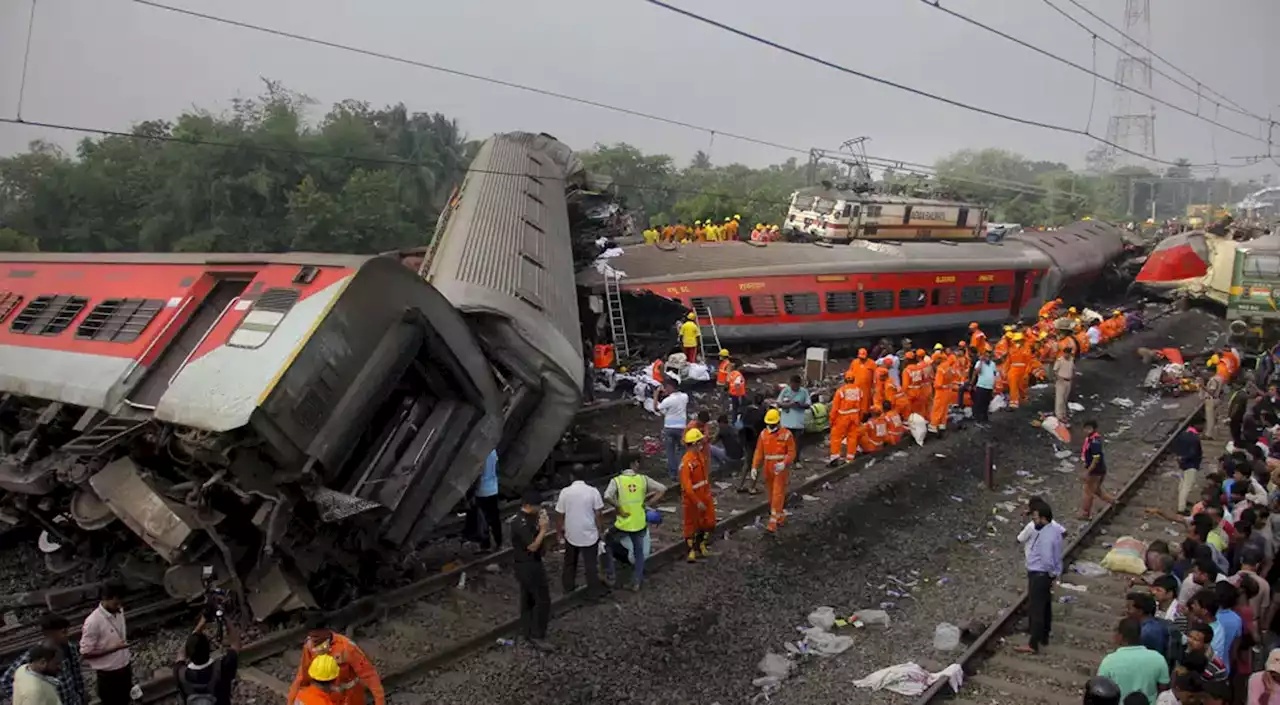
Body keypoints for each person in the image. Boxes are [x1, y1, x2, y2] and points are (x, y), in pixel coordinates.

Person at [603, 461, 665, 591]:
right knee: (639, 552)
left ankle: (611, 576)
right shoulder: (643, 479)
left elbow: (607, 496)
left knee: (607, 540)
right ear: (632, 465)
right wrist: (648, 503)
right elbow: (662, 489)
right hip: (639, 522)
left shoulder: (616, 481)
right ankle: (636, 582)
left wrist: (618, 507)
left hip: (624, 523)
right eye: (636, 463)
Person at [286, 626, 384, 705]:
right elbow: (302, 675)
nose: (315, 646)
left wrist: (379, 701)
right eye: (313, 640)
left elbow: (369, 674)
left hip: (350, 696)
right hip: (327, 697)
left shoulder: (346, 647)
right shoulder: (309, 646)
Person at [1, 613, 86, 705]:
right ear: (49, 633)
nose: (67, 635)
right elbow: (6, 680)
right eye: (63, 632)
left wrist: (81, 693)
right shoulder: (35, 655)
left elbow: (77, 674)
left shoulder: (70, 648)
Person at [1015, 498, 1064, 654]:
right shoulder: (1053, 530)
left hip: (1039, 574)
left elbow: (1047, 558)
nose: (1034, 521)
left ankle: (1033, 643)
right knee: (1045, 605)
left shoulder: (1045, 536)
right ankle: (1044, 635)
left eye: (1035, 518)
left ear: (1043, 518)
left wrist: (1049, 572)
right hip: (1045, 575)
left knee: (1036, 608)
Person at [510, 489, 553, 650]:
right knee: (542, 599)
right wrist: (543, 529)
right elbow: (533, 546)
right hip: (528, 565)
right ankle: (537, 635)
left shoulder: (528, 518)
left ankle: (527, 630)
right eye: (537, 506)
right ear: (527, 505)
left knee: (527, 598)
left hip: (525, 564)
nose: (540, 509)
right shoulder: (520, 523)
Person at [79, 582, 133, 705]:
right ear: (105, 599)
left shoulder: (119, 610)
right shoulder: (93, 622)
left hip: (125, 666)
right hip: (109, 674)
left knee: (125, 700)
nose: (119, 606)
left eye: (120, 602)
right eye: (116, 603)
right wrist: (114, 648)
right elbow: (86, 653)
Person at [555, 467, 605, 598]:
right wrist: (600, 531)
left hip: (571, 533)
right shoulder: (593, 492)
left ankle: (568, 588)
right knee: (590, 565)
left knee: (570, 562)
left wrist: (559, 534)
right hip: (589, 534)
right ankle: (593, 593)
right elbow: (598, 514)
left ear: (571, 476)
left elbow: (560, 515)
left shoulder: (565, 492)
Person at [1097, 617, 1170, 703]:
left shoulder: (1109, 661)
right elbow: (1163, 690)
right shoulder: (1158, 659)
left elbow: (1100, 691)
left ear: (1120, 636)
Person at [174, 613, 240, 705]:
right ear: (209, 649)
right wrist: (226, 618)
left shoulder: (180, 673)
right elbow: (235, 643)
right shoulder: (222, 667)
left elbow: (181, 653)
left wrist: (200, 624)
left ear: (189, 653)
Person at [752, 409, 796, 534]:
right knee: (771, 494)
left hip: (779, 468)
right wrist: (754, 467)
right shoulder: (763, 434)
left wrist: (784, 463)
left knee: (777, 493)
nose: (771, 426)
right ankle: (779, 515)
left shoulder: (786, 434)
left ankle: (772, 522)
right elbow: (759, 452)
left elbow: (792, 452)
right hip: (768, 466)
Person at [680, 427, 716, 561]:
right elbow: (687, 486)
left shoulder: (700, 456)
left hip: (704, 495)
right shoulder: (686, 462)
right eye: (699, 441)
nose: (701, 443)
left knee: (709, 522)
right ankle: (691, 551)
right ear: (694, 443)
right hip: (692, 498)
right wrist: (697, 501)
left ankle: (701, 545)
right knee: (690, 525)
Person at [1080, 420, 1116, 519]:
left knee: (1088, 492)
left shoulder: (1094, 442)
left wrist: (1088, 471)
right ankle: (1113, 502)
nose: (1087, 430)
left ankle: (1085, 514)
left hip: (1095, 471)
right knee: (1096, 490)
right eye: (1086, 428)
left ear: (1094, 429)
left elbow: (1096, 458)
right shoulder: (1091, 439)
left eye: (1089, 428)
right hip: (1098, 470)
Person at [829, 371, 863, 465]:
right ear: (853, 379)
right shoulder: (859, 390)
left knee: (836, 437)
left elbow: (835, 408)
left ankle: (835, 458)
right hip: (855, 417)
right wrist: (859, 418)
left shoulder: (841, 391)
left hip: (843, 417)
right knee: (852, 437)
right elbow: (862, 406)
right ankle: (850, 458)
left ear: (845, 379)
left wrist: (831, 420)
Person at [656, 379, 688, 480]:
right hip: (681, 428)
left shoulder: (668, 400)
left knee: (670, 451)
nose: (665, 389)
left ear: (671, 387)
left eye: (666, 387)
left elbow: (657, 408)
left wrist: (655, 395)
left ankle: (673, 474)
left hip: (669, 428)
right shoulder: (685, 396)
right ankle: (682, 471)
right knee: (682, 450)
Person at [776, 375, 810, 464]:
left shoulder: (804, 392)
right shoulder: (785, 390)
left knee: (797, 443)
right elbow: (778, 403)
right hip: (786, 422)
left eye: (796, 386)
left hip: (798, 423)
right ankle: (784, 460)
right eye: (793, 385)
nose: (794, 387)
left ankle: (796, 460)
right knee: (784, 442)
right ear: (790, 383)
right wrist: (787, 405)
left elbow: (808, 405)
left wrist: (799, 405)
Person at [1125, 592, 1170, 659]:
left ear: (1140, 611)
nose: (1126, 611)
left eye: (1129, 608)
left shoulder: (1146, 632)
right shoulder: (1156, 625)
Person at [472, 449, 501, 552]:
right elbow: (497, 468)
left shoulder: (479, 453)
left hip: (481, 491)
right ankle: (498, 542)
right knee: (495, 518)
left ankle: (485, 545)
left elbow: (477, 474)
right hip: (493, 489)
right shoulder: (493, 451)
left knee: (482, 519)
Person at [1172, 427, 1202, 516]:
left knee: (1182, 483)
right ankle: (1181, 508)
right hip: (1191, 465)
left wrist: (1179, 458)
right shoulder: (1195, 438)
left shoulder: (1181, 435)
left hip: (1182, 464)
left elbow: (1175, 447)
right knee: (1187, 486)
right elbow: (1194, 453)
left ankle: (1182, 501)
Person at [971, 349, 997, 425]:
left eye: (989, 354)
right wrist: (981, 362)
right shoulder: (979, 363)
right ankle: (977, 419)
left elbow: (994, 374)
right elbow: (977, 372)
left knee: (986, 404)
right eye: (986, 355)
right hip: (981, 386)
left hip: (990, 387)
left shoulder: (993, 364)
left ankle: (985, 419)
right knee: (979, 403)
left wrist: (994, 385)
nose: (987, 356)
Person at [1201, 368, 1223, 440]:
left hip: (1211, 400)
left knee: (1210, 418)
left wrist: (1202, 386)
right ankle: (1216, 435)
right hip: (1217, 399)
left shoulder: (1213, 379)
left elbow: (1211, 391)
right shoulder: (1220, 378)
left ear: (1211, 372)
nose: (1207, 373)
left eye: (1208, 371)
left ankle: (1208, 435)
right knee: (1216, 419)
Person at [1054, 346, 1075, 421]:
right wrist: (1059, 379)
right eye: (1066, 353)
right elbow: (1055, 371)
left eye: (1068, 353)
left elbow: (1073, 369)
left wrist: (1072, 376)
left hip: (1068, 382)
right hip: (1061, 382)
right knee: (1060, 400)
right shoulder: (1060, 360)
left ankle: (1064, 414)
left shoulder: (1072, 359)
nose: (1067, 355)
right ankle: (1059, 416)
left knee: (1065, 399)